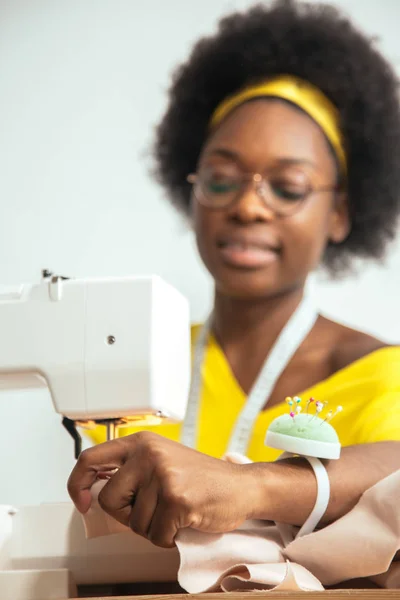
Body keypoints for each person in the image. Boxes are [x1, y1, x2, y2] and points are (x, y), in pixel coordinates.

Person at [68, 0, 400, 552]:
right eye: (222, 179)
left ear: (340, 212)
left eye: (288, 187)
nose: (248, 206)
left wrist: (252, 485)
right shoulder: (139, 367)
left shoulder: (378, 375)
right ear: (191, 188)